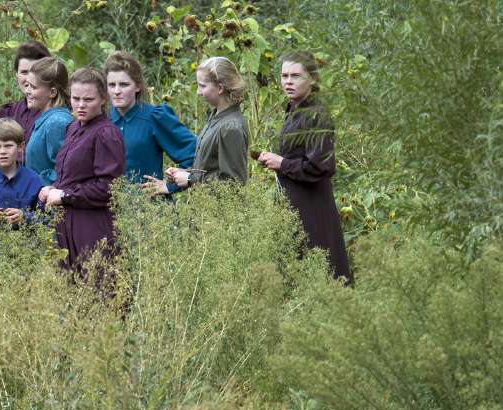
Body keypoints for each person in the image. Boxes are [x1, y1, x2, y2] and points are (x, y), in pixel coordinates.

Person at [256, 51, 353, 283]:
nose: (288, 81)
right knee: (297, 272)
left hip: (312, 206)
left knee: (321, 273)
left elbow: (321, 166)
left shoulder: (316, 114)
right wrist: (278, 161)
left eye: (296, 76)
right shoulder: (294, 109)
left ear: (312, 79)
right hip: (296, 202)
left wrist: (282, 163)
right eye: (284, 76)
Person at [40, 68, 126, 272]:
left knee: (98, 293)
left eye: (88, 99)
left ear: (103, 98)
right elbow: (75, 177)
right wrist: (53, 188)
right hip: (68, 225)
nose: (80, 105)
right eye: (75, 98)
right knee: (72, 295)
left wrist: (63, 195)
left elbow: (109, 187)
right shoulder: (74, 128)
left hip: (92, 227)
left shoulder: (106, 133)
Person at [103, 50, 197, 195]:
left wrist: (169, 186)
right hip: (109, 214)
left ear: (138, 86)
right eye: (111, 85)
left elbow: (196, 154)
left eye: (124, 84)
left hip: (149, 212)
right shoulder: (101, 121)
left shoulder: (155, 117)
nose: (116, 91)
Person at [166, 56, 249, 188]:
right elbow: (211, 168)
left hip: (220, 209)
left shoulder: (230, 127)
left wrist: (190, 179)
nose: (198, 92)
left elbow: (233, 184)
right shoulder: (216, 116)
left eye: (202, 86)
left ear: (220, 88)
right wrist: (184, 173)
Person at [22, 57, 73, 184]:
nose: (27, 91)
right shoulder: (47, 118)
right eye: (27, 85)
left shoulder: (57, 122)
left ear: (52, 92)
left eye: (33, 87)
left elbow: (64, 172)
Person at [0, 41, 51, 152]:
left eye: (36, 72)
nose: (29, 79)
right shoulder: (8, 113)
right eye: (24, 72)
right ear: (16, 74)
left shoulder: (58, 115)